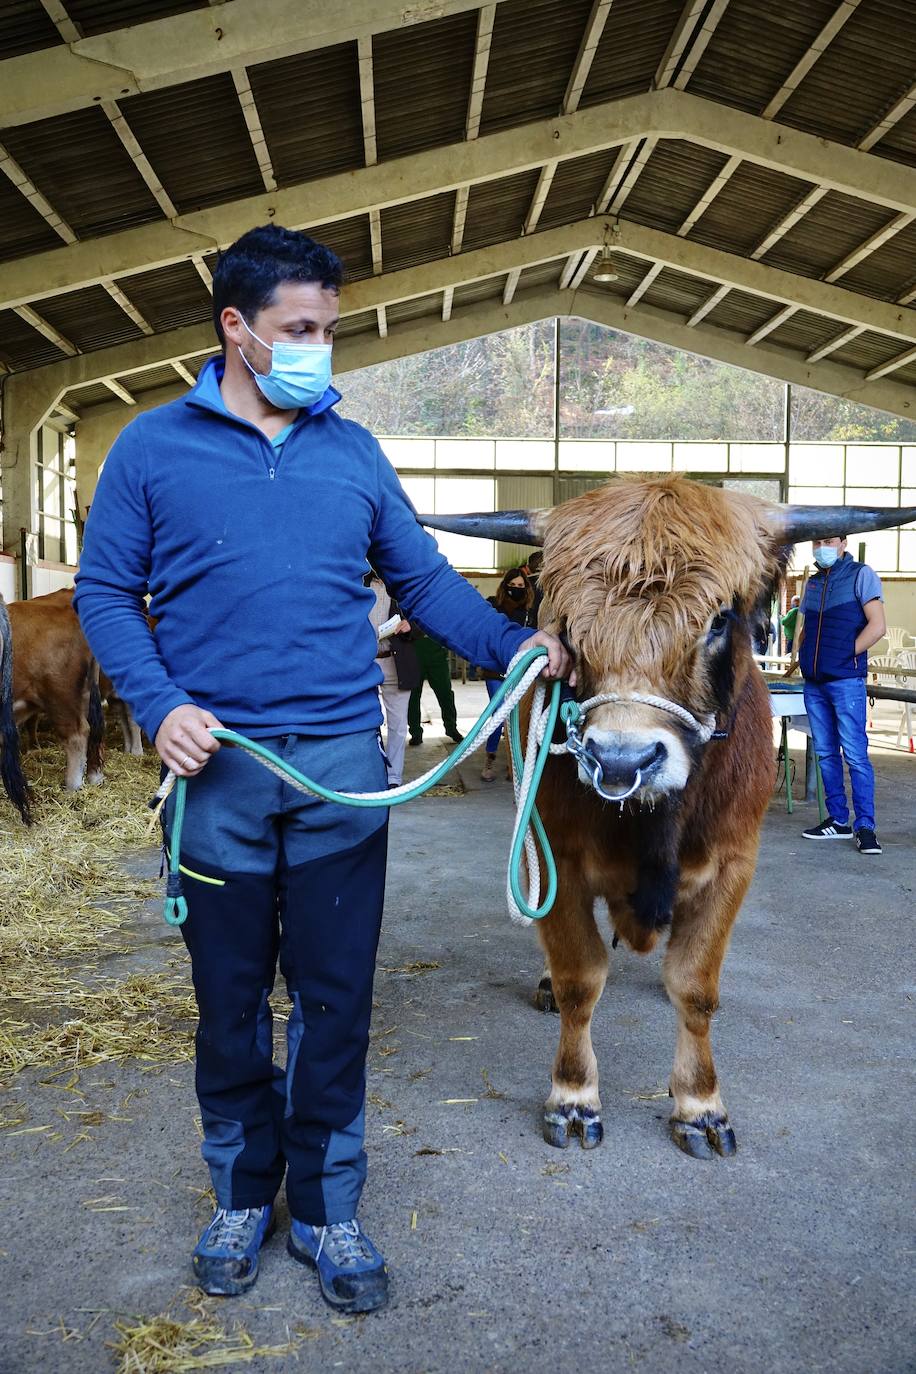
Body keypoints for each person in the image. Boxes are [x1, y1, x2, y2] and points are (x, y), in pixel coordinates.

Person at [73, 224, 571, 1316]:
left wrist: (515, 647)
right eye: (299, 331)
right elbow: (104, 596)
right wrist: (159, 710)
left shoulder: (351, 449)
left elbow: (426, 583)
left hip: (345, 764)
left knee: (338, 998)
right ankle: (244, 1192)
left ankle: (330, 1203)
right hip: (220, 775)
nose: (318, 352)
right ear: (235, 329)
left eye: (329, 332)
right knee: (231, 1001)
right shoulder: (152, 450)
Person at [797, 534, 886, 853]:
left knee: (855, 753)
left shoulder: (861, 574)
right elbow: (807, 627)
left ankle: (865, 827)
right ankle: (837, 820)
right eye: (817, 542)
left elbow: (877, 626)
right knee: (825, 752)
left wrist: (845, 655)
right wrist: (803, 656)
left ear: (843, 543)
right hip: (815, 683)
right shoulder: (813, 584)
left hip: (846, 681)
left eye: (829, 541)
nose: (823, 547)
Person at [479, 568, 536, 782]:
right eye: (513, 585)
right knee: (499, 714)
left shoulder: (530, 612)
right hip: (496, 670)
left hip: (520, 670)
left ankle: (515, 764)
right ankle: (490, 760)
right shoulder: (494, 606)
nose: (517, 590)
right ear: (505, 585)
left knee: (517, 718)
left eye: (521, 587)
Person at [367, 569, 418, 785]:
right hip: (364, 662)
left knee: (398, 724)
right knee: (366, 721)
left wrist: (411, 626)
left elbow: (423, 617)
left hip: (395, 662)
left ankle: (393, 777)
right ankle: (372, 772)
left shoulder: (403, 584)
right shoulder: (358, 582)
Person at [407, 629, 464, 746]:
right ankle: (415, 732)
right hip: (414, 648)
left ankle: (451, 728)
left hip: (436, 650)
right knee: (413, 695)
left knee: (445, 693)